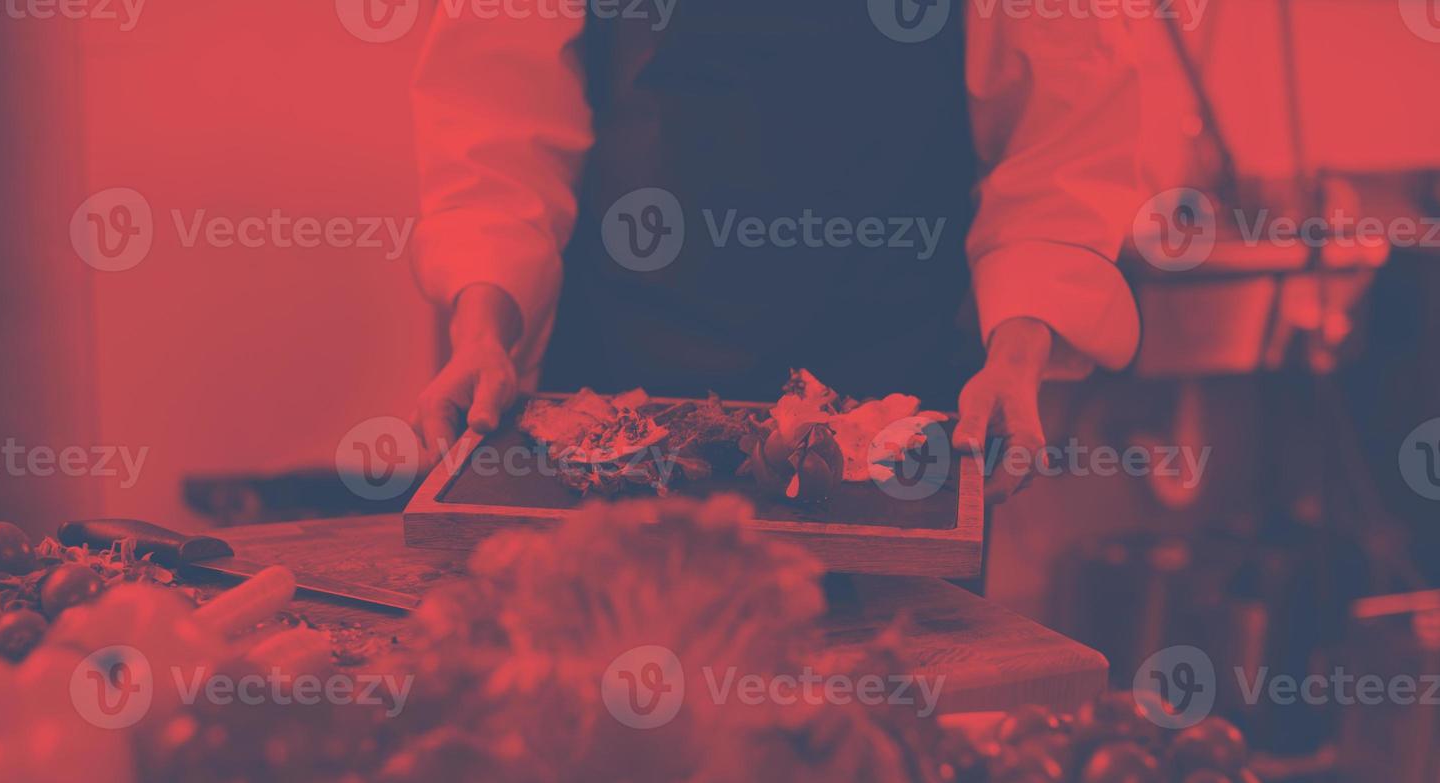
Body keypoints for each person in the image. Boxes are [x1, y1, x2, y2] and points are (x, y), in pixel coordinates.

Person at [410, 2, 1141, 500]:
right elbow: (497, 128)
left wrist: (1014, 361)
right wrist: (483, 334)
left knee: (874, 714)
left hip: (889, 426)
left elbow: (1061, 152)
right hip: (615, 405)